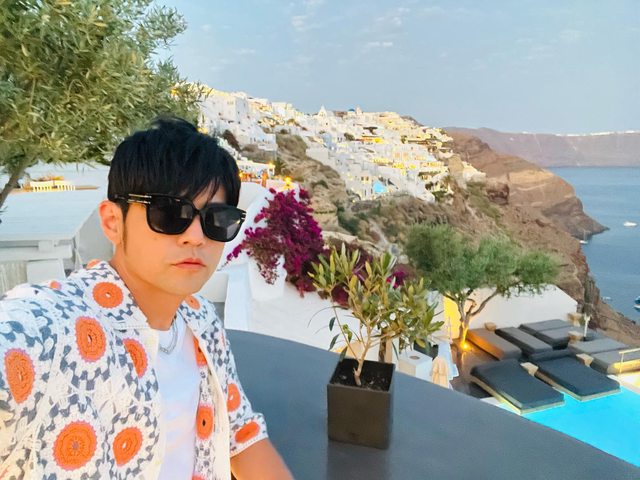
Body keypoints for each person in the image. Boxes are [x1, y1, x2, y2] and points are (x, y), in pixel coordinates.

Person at [0, 117, 292, 479]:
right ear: (113, 222)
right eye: (169, 213)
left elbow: (241, 435)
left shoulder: (202, 322)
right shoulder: (51, 330)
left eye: (216, 218)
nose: (196, 236)